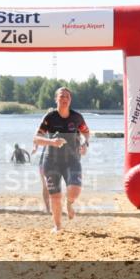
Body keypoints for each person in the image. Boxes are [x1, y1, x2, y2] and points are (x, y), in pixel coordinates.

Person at [34, 87, 91, 233]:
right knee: (55, 196)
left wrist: (85, 144)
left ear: (70, 100)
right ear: (56, 99)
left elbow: (86, 132)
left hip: (72, 160)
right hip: (51, 161)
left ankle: (70, 203)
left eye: (67, 96)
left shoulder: (77, 117)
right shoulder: (50, 117)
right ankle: (57, 226)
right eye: (61, 96)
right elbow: (36, 138)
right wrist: (51, 142)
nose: (64, 99)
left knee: (75, 190)